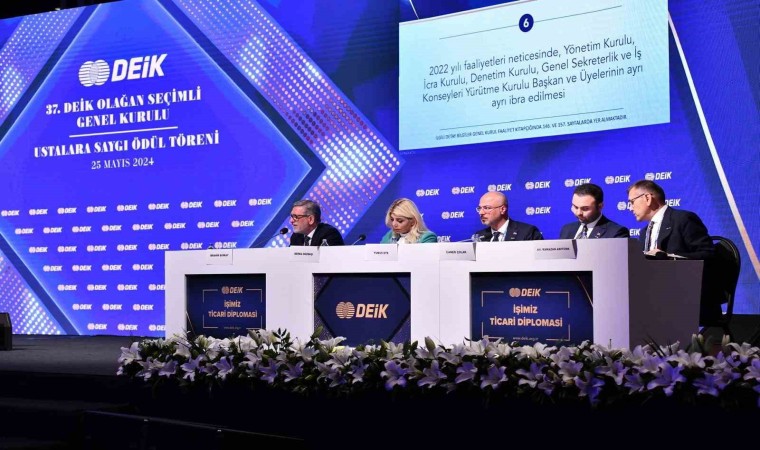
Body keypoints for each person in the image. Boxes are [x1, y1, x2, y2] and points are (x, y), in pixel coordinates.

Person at [627, 180, 718, 325]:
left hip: (685, 295)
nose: (630, 208)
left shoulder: (683, 219)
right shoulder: (644, 232)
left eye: (632, 202)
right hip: (653, 295)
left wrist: (668, 258)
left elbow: (708, 255)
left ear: (647, 198)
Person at [559, 183, 629, 239]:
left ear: (600, 206)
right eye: (575, 207)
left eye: (585, 209)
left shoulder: (616, 232)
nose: (578, 213)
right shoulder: (566, 230)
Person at [473, 191, 543, 242]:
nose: (481, 212)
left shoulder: (527, 232)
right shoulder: (479, 235)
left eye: (487, 208)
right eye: (479, 208)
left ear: (503, 209)